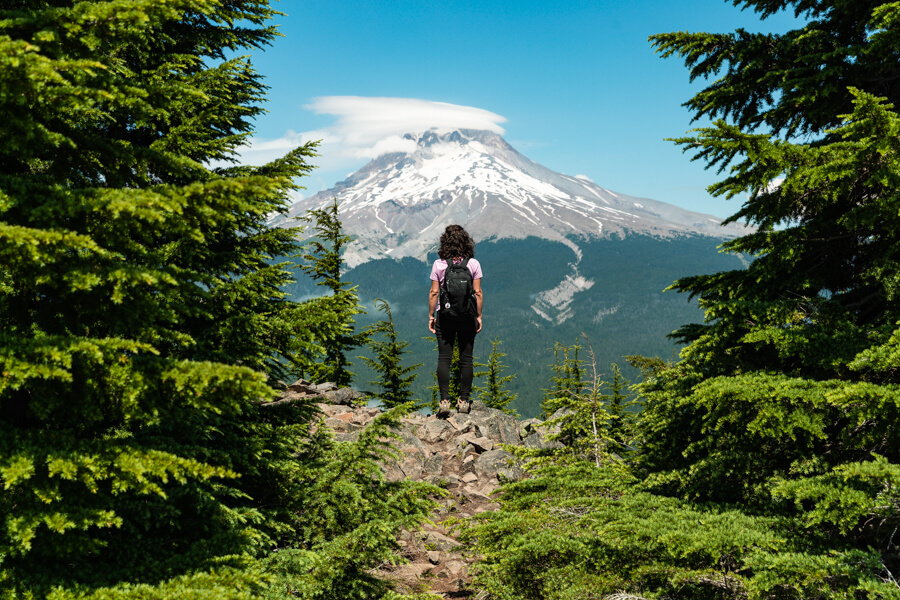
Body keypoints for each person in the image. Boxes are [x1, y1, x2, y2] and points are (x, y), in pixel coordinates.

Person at [428, 224, 483, 416]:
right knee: (466, 359)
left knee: (445, 358)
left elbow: (435, 292)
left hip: (445, 315)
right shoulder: (473, 264)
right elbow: (478, 292)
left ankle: (444, 402)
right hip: (467, 316)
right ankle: (464, 401)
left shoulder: (439, 264)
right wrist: (478, 316)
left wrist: (431, 315)